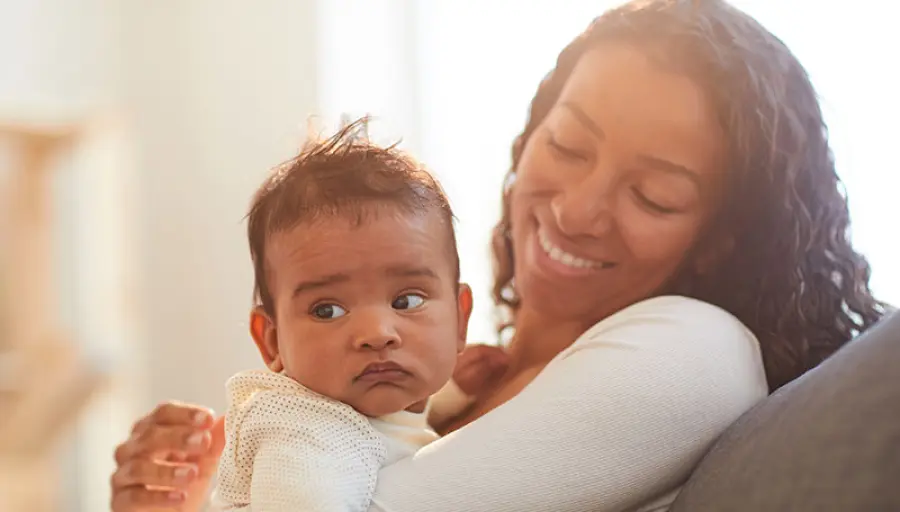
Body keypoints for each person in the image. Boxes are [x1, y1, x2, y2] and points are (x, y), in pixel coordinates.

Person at [109, 1, 888, 511]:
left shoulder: (696, 351)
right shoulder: (429, 388)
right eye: (569, 143)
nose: (577, 210)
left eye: (652, 194)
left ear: (722, 235)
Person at [208, 120, 490, 511]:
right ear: (272, 341)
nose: (377, 333)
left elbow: (390, 423)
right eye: (328, 310)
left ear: (460, 320)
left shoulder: (350, 410)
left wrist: (452, 393)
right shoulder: (304, 434)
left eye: (406, 301)